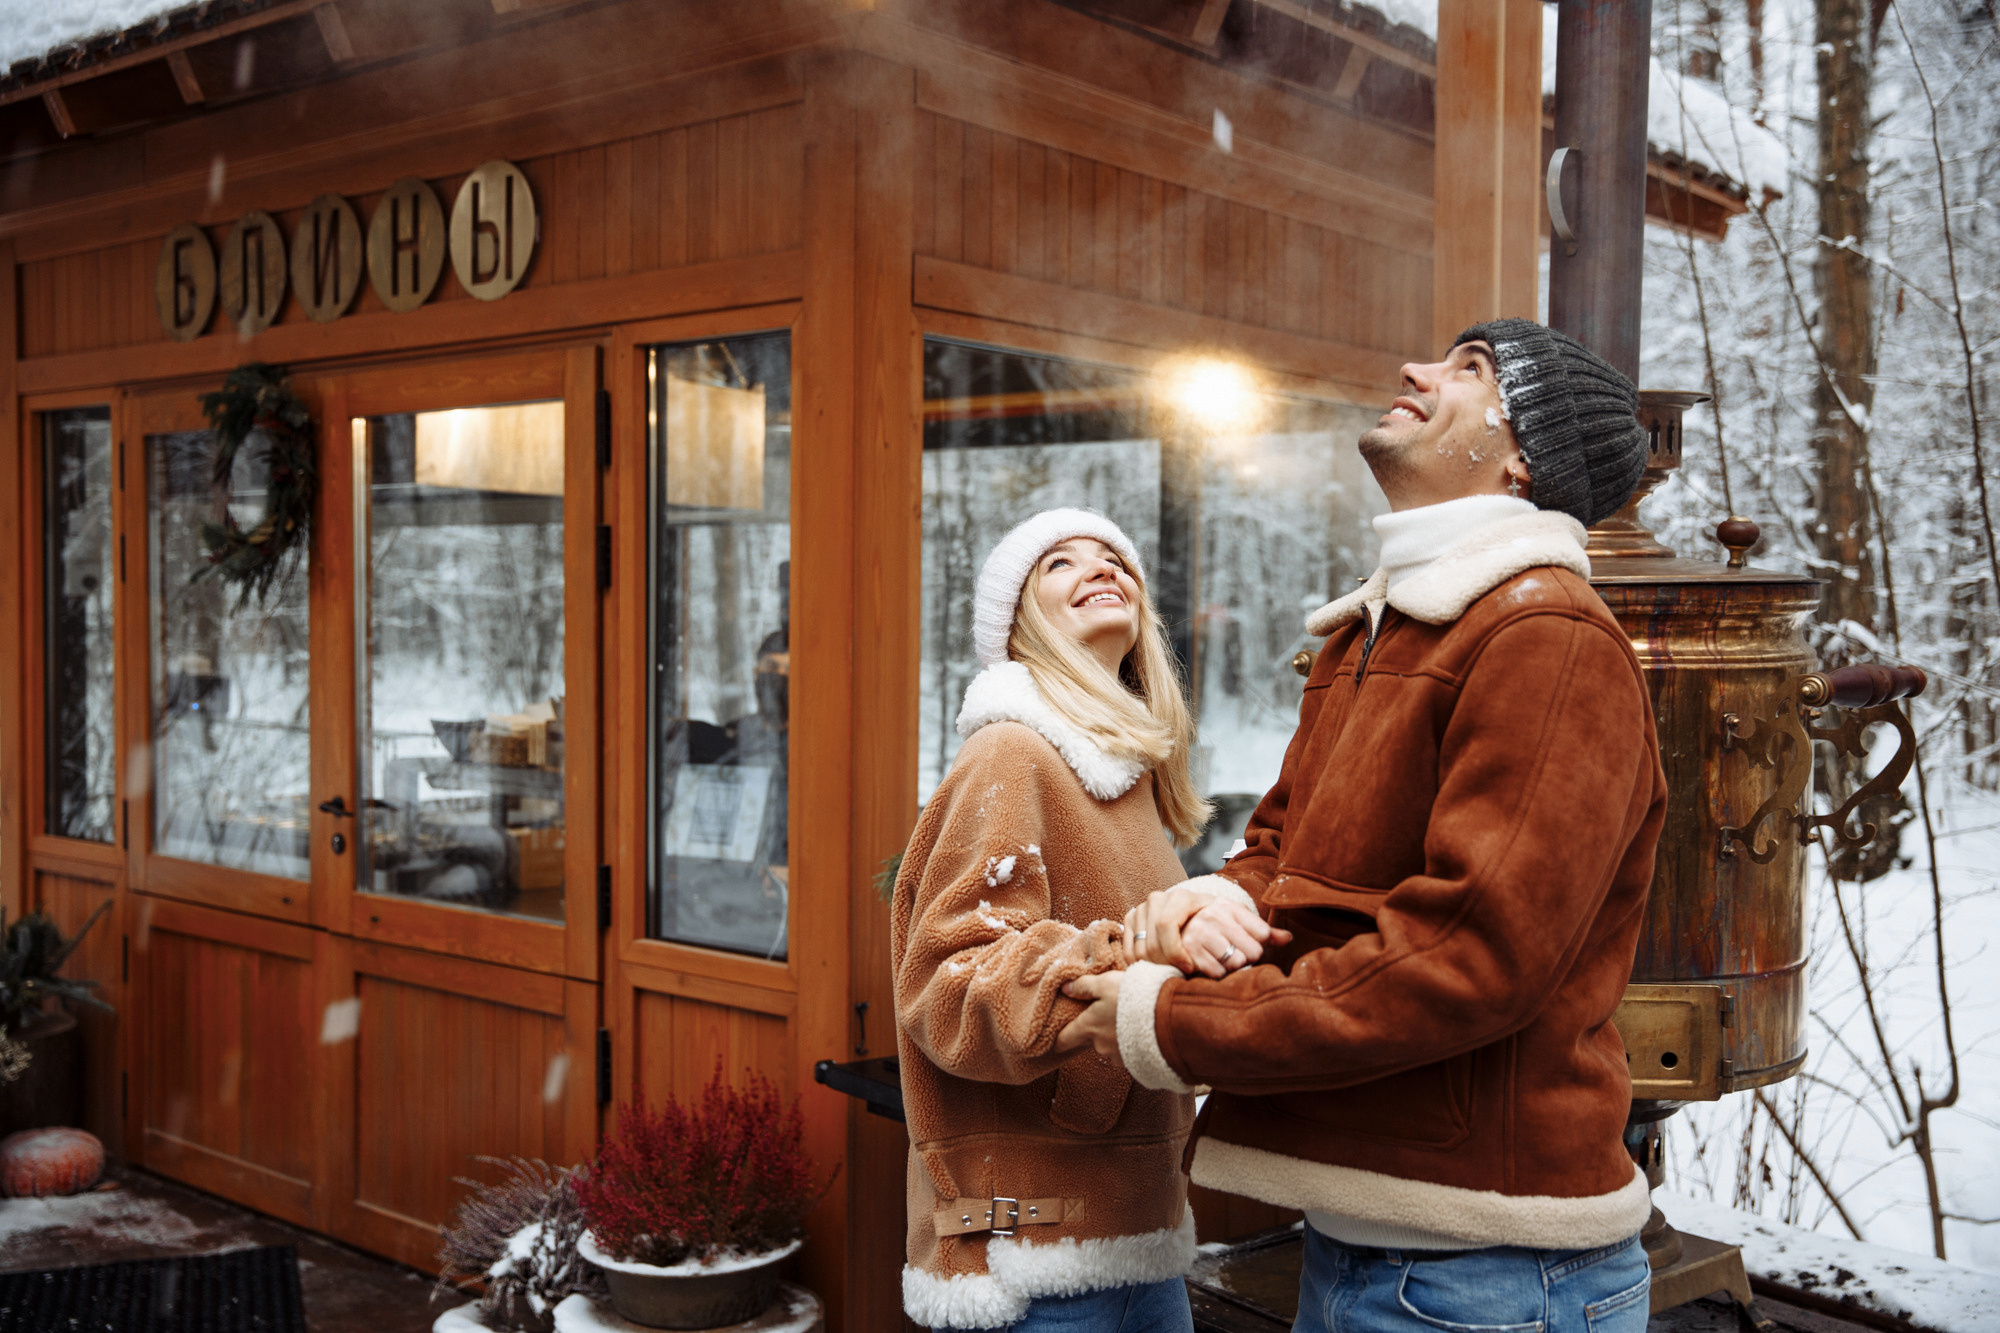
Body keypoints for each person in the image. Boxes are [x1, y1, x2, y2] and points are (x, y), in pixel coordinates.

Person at [1062, 319, 1669, 1333]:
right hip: (1368, 1249)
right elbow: (1281, 847)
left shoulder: (1546, 635)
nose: (1416, 370)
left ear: (1524, 458)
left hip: (1491, 1276)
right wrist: (1212, 905)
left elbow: (1468, 958)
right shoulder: (1375, 634)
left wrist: (1173, 1023)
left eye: (1472, 370)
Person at [893, 508, 1255, 1333]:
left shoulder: (1124, 781)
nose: (1101, 567)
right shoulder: (1011, 752)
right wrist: (1126, 953)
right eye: (1060, 562)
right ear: (1020, 625)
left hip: (1141, 1237)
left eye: (1114, 559)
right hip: (1032, 1260)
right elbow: (950, 982)